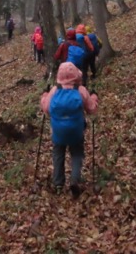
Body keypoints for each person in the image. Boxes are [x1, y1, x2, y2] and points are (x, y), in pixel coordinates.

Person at [40, 62, 98, 197]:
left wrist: (44, 96)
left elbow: (46, 109)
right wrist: (94, 97)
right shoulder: (80, 90)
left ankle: (58, 183)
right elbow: (92, 109)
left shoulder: (55, 90)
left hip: (58, 131)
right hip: (76, 130)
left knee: (58, 154)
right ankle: (75, 179)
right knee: (77, 154)